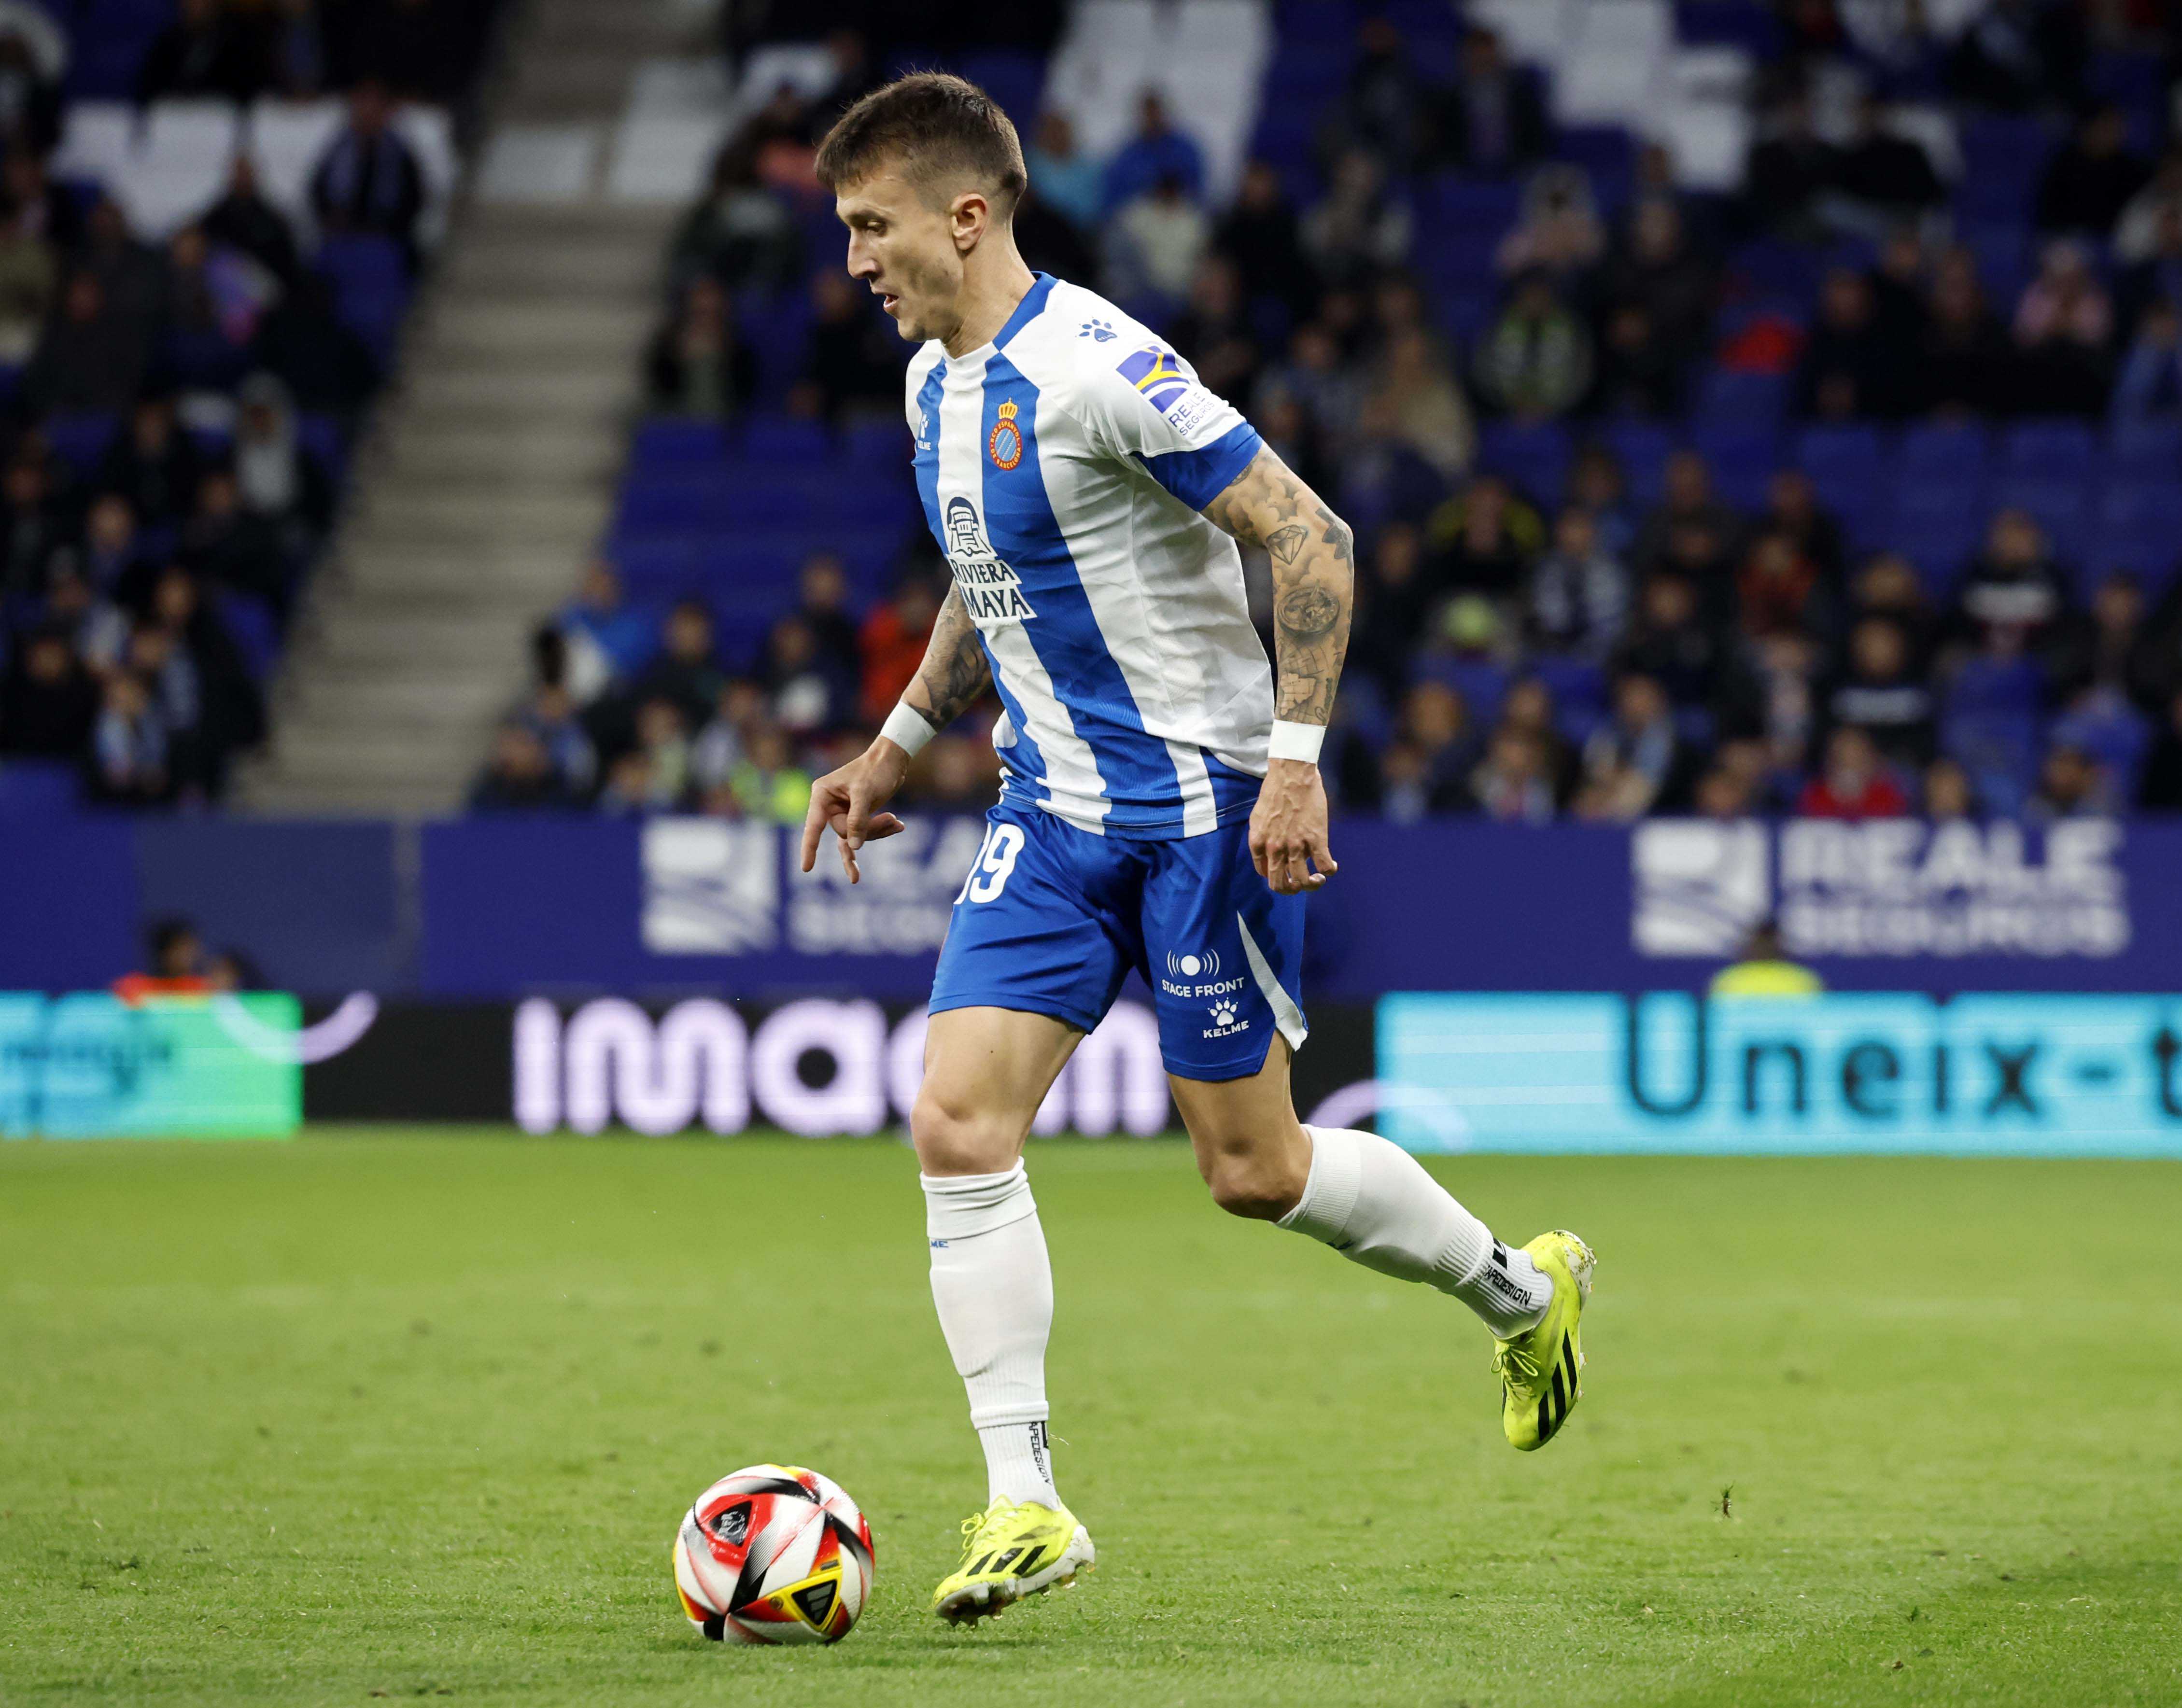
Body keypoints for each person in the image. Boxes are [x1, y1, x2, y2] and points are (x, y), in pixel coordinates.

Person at [802, 72, 1597, 1626]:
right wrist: (896, 741)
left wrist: (1293, 767)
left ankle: (1522, 1292)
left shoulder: (1101, 365)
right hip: (1049, 814)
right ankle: (1026, 1501)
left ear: (964, 217)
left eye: (869, 226)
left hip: (1199, 816)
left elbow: (1311, 537)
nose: (855, 261)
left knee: (1253, 1170)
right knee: (954, 1123)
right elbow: (990, 567)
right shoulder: (928, 388)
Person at [1710, 920, 1823, 997]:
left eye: (1769, 942)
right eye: (1761, 942)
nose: (1765, 947)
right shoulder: (1729, 980)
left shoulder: (1803, 980)